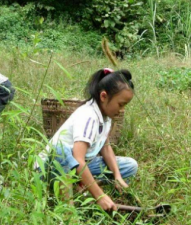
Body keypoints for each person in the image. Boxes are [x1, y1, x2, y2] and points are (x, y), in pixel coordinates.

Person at [37, 68, 137, 211]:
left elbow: (106, 146)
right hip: (53, 167)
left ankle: (82, 185)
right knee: (61, 151)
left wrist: (117, 176)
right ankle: (68, 211)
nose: (121, 110)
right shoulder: (88, 116)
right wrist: (99, 196)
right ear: (104, 96)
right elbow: (78, 159)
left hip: (78, 166)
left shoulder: (106, 116)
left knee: (130, 166)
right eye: (120, 104)